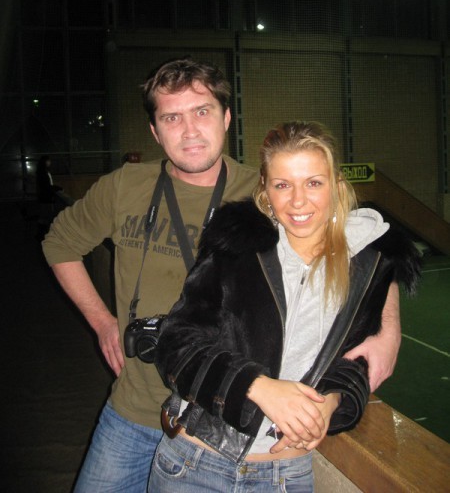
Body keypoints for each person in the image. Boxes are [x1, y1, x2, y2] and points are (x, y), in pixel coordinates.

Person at [42, 58, 403, 493]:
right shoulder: (125, 186)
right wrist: (103, 323)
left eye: (202, 111)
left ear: (226, 118)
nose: (189, 130)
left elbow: (357, 246)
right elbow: (59, 244)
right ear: (154, 131)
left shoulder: (268, 193)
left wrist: (388, 330)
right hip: (134, 409)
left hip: (221, 414)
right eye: (171, 117)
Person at [148, 121, 420, 492]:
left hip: (287, 475)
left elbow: (355, 360)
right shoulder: (236, 250)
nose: (298, 201)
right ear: (265, 192)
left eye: (314, 183)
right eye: (282, 185)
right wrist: (257, 386)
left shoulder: (369, 266)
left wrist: (332, 401)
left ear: (337, 186)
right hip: (196, 464)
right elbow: (175, 343)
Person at [36, 154, 62, 240]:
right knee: (46, 215)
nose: (50, 162)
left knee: (45, 215)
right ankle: (43, 234)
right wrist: (57, 188)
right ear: (45, 162)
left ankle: (42, 234)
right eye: (48, 161)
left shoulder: (42, 172)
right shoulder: (43, 173)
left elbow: (47, 185)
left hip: (45, 196)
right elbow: (47, 186)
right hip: (46, 197)